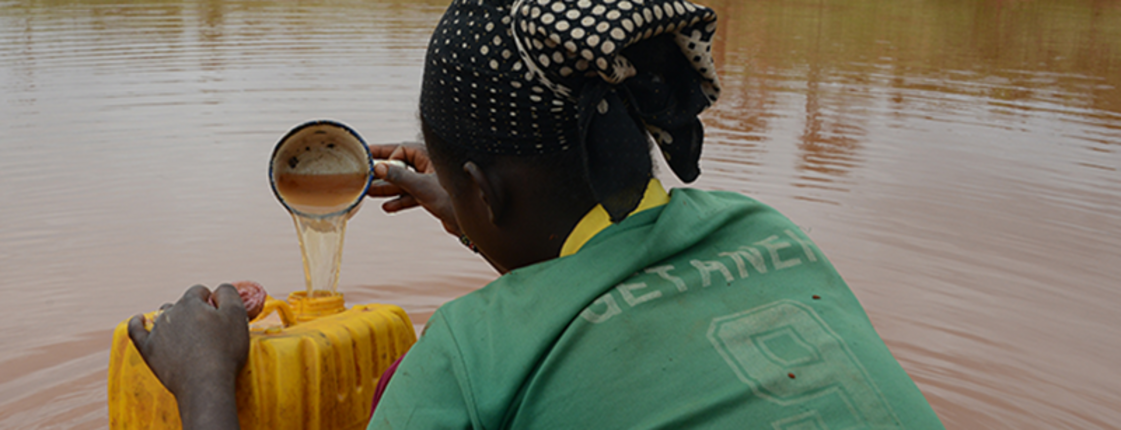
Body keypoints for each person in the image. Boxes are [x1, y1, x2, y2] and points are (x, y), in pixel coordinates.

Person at [127, 0, 946, 428]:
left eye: (452, 179)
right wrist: (479, 220)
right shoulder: (767, 231)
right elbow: (615, 286)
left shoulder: (464, 354)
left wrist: (203, 382)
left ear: (484, 187)